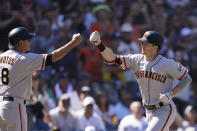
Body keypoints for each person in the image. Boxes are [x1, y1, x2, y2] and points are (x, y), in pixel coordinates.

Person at [89, 30, 192, 131]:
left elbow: (187, 78)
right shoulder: (136, 59)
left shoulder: (167, 63)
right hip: (148, 111)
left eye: (145, 43)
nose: (141, 44)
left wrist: (172, 93)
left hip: (163, 109)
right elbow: (113, 60)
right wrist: (99, 44)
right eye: (141, 42)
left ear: (155, 47)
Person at [0, 26, 82, 130]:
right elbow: (53, 57)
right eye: (28, 40)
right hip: (14, 106)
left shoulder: (2, 57)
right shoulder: (23, 59)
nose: (30, 42)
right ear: (20, 43)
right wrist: (73, 43)